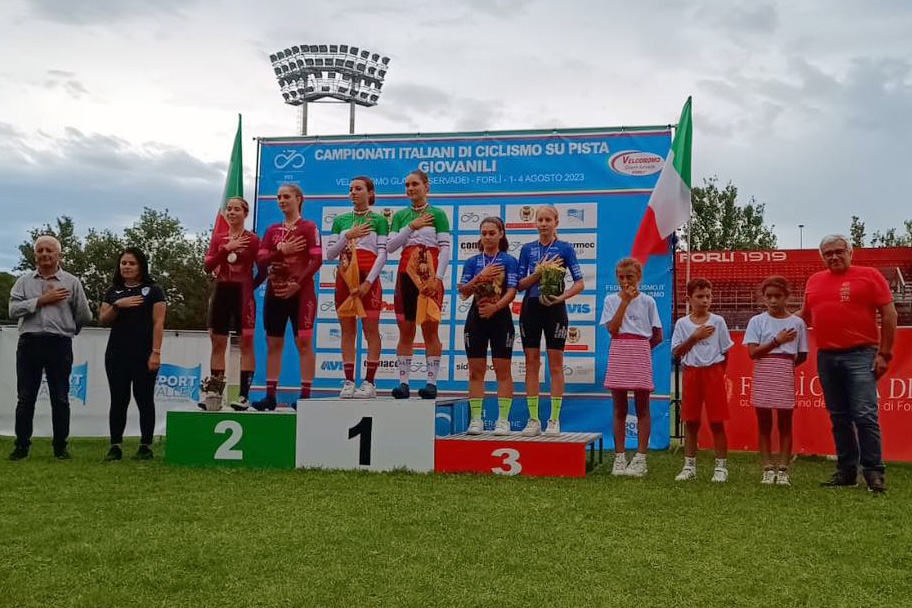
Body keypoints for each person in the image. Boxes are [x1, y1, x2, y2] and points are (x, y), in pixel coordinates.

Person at [799, 234, 896, 493]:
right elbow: (803, 316)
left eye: (838, 251)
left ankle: (874, 472)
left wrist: (885, 353)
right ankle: (847, 471)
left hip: (862, 353)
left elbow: (889, 314)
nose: (833, 257)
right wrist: (771, 320)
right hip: (827, 355)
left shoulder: (870, 275)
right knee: (839, 416)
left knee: (864, 415)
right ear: (822, 258)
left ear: (850, 252)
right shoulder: (814, 281)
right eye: (828, 253)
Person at [8, 235, 92, 460]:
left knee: (60, 397)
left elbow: (84, 314)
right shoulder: (23, 281)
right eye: (40, 250)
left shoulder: (72, 282)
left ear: (58, 255)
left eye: (49, 250)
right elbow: (13, 311)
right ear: (35, 255)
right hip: (30, 343)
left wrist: (69, 331)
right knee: (26, 397)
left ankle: (60, 447)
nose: (44, 254)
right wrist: (41, 301)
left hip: (59, 344)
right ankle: (21, 446)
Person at [516, 205, 584, 437]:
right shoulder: (526, 249)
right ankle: (533, 419)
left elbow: (579, 282)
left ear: (556, 222)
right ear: (535, 223)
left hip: (555, 308)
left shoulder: (565, 248)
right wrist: (538, 272)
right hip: (531, 307)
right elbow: (519, 285)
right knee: (532, 362)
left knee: (556, 364)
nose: (544, 224)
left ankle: (554, 419)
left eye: (548, 220)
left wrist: (561, 297)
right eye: (540, 220)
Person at [254, 184, 322, 410]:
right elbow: (262, 262)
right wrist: (281, 251)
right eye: (278, 197)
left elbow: (317, 260)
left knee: (303, 343)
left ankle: (305, 396)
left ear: (298, 199)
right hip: (275, 292)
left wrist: (297, 284)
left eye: (286, 196)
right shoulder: (272, 230)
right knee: (273, 343)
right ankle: (270, 396)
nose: (281, 200)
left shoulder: (309, 227)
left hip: (302, 293)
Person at [386, 169, 452, 399]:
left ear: (426, 186)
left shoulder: (438, 214)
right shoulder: (401, 215)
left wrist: (439, 278)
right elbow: (391, 246)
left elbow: (445, 248)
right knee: (406, 331)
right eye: (407, 185)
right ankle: (403, 383)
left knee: (430, 331)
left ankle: (431, 383)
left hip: (430, 278)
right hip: (406, 276)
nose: (410, 188)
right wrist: (412, 227)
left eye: (415, 184)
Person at [98, 247, 166, 461]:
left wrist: (156, 352)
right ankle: (115, 445)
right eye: (123, 263)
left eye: (131, 263)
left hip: (144, 353)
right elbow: (103, 320)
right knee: (119, 400)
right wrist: (118, 306)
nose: (126, 267)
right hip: (116, 354)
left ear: (141, 266)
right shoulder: (113, 292)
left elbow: (158, 322)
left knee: (144, 399)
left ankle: (145, 445)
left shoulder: (154, 290)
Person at [324, 176, 387, 399]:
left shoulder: (379, 220)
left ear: (370, 193)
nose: (353, 192)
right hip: (345, 279)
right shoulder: (340, 221)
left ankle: (369, 382)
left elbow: (383, 253)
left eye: (358, 189)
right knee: (347, 330)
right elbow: (330, 253)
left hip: (368, 280)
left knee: (370, 330)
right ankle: (349, 380)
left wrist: (368, 282)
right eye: (350, 189)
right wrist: (347, 236)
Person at [744, 276, 809, 486]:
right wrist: (776, 341)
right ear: (763, 298)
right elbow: (753, 353)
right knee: (764, 424)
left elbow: (802, 355)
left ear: (786, 297)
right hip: (763, 371)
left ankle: (783, 468)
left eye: (777, 296)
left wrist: (784, 366)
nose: (773, 300)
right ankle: (766, 467)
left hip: (784, 373)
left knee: (785, 424)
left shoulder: (797, 323)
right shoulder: (756, 321)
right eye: (768, 296)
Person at [601, 258, 663, 477]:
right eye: (621, 276)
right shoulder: (611, 300)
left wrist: (642, 348)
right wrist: (624, 302)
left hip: (639, 352)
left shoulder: (648, 301)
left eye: (630, 276)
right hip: (618, 351)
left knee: (642, 407)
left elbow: (658, 336)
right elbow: (613, 329)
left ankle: (640, 459)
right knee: (619, 408)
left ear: (639, 277)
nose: (625, 281)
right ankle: (619, 458)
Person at [200, 197, 263, 411]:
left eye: (237, 209)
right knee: (218, 343)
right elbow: (208, 266)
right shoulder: (219, 238)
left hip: (243, 293)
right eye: (229, 209)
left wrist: (250, 286)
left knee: (246, 343)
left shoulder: (253, 239)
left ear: (245, 214)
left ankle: (244, 396)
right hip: (222, 290)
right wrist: (227, 248)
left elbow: (263, 268)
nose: (232, 212)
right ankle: (215, 394)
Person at [457, 217, 519, 435]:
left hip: (500, 318)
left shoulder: (509, 261)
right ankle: (476, 419)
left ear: (501, 234)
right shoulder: (472, 262)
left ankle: (503, 420)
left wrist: (496, 307)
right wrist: (479, 278)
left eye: (492, 233)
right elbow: (463, 292)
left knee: (503, 371)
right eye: (484, 233)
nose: (488, 237)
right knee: (476, 372)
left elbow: (512, 290)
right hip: (476, 319)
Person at [671, 278, 733, 483]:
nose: (705, 300)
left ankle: (721, 466)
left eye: (708, 296)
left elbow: (726, 352)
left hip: (713, 373)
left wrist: (717, 372)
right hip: (692, 373)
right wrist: (695, 336)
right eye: (700, 296)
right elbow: (678, 352)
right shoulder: (682, 324)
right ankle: (689, 466)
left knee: (717, 421)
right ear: (689, 298)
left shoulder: (718, 321)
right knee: (691, 421)